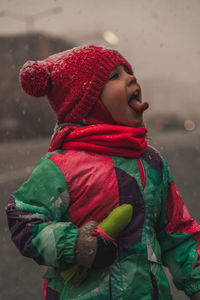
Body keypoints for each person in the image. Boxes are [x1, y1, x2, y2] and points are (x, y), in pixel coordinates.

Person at [6, 44, 200, 300]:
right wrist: (75, 245)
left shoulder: (152, 162)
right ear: (87, 103)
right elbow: (23, 218)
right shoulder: (61, 165)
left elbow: (178, 234)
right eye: (114, 76)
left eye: (127, 72)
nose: (131, 77)